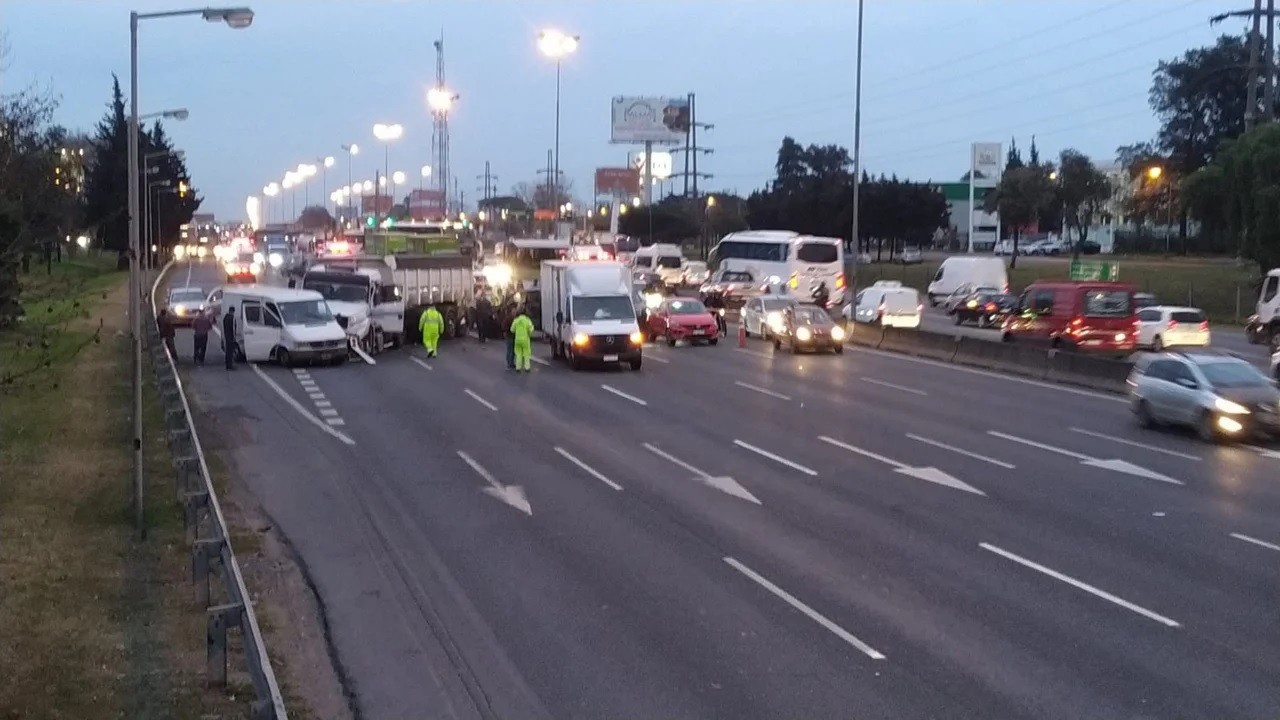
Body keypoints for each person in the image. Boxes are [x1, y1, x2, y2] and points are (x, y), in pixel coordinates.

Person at [510, 305, 535, 372]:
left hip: (517, 339)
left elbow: (512, 330)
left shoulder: (516, 320)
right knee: (526, 354)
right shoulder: (527, 320)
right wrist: (529, 333)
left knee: (518, 354)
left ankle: (518, 367)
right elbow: (531, 329)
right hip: (525, 340)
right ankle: (527, 367)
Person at [222, 306, 237, 370]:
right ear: (233, 311)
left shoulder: (225, 317)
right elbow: (233, 328)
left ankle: (227, 364)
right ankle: (229, 365)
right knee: (230, 352)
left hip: (226, 336)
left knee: (228, 351)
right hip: (230, 337)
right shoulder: (232, 318)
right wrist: (234, 337)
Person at [502, 302, 517, 369]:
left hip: (514, 336)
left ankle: (511, 362)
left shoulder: (516, 318)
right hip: (509, 336)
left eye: (515, 311)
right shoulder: (508, 318)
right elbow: (504, 326)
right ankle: (509, 363)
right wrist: (507, 331)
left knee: (513, 350)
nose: (514, 313)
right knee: (510, 350)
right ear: (511, 312)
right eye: (513, 311)